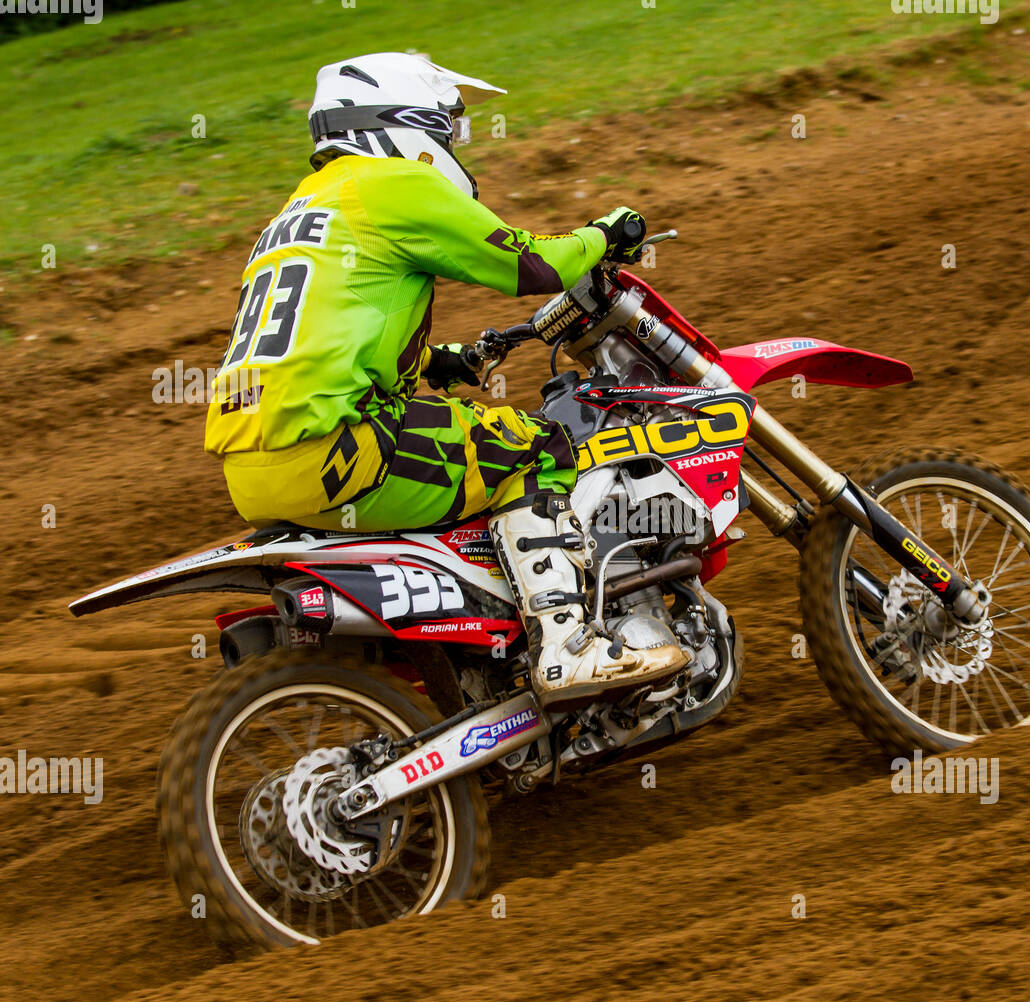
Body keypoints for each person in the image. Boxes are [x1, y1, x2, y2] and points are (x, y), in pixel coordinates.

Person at [204, 51, 686, 705]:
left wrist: (439, 361)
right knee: (537, 446)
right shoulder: (389, 185)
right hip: (338, 447)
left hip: (255, 469)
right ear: (399, 123)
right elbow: (536, 268)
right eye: (443, 127)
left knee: (461, 448)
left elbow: (321, 335)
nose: (448, 145)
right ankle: (568, 646)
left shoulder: (295, 214)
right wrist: (604, 233)